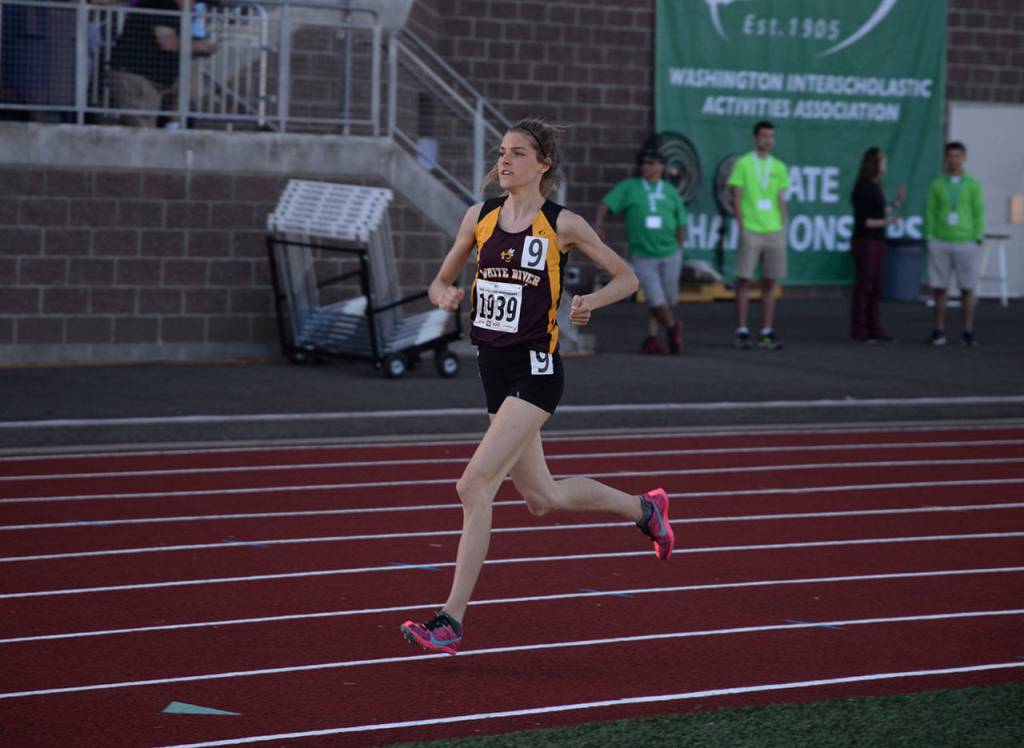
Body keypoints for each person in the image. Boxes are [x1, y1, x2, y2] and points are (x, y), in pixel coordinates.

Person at [400, 119, 675, 656]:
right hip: (493, 370)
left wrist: (590, 302)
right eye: (502, 153)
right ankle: (646, 510)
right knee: (542, 498)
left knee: (473, 485)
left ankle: (450, 621)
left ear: (542, 164)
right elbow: (440, 279)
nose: (504, 162)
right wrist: (441, 294)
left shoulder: (561, 223)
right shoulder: (478, 217)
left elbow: (628, 277)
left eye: (517, 153)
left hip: (537, 371)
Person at [594, 146, 688, 354]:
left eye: (651, 163)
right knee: (656, 298)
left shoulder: (671, 192)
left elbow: (681, 223)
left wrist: (680, 250)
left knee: (663, 299)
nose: (646, 166)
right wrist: (599, 225)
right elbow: (605, 204)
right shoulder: (630, 187)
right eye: (643, 163)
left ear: (662, 167)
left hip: (670, 252)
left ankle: (652, 337)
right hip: (643, 255)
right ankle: (673, 327)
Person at [727, 120, 790, 350]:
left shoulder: (779, 166)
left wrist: (783, 225)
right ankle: (742, 330)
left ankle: (766, 330)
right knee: (743, 279)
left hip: (773, 230)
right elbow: (736, 196)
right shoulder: (743, 163)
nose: (768, 140)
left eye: (772, 136)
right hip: (751, 229)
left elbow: (781, 199)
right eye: (764, 135)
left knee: (769, 282)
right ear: (756, 138)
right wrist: (742, 226)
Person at [108, 0, 216, 127]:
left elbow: (183, 46)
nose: (195, 7)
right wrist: (201, 47)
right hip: (136, 78)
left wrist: (200, 48)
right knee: (143, 131)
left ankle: (174, 126)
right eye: (193, 2)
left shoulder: (182, 14)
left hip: (159, 80)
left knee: (191, 76)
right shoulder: (161, 4)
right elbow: (168, 43)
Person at [925, 142, 987, 347]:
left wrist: (978, 236)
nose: (953, 160)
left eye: (957, 156)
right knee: (939, 289)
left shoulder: (972, 184)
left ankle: (968, 332)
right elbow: (931, 211)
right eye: (950, 156)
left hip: (966, 241)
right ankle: (938, 331)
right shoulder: (937, 184)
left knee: (967, 288)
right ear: (945, 158)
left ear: (964, 158)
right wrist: (930, 236)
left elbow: (979, 211)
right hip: (941, 241)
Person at [849, 147, 906, 343]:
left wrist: (896, 204)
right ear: (874, 163)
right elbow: (866, 221)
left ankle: (875, 328)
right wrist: (889, 222)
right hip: (865, 241)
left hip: (877, 240)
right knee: (865, 286)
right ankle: (859, 330)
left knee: (876, 286)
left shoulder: (876, 186)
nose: (885, 164)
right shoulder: (862, 187)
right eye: (882, 161)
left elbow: (879, 210)